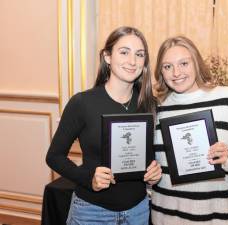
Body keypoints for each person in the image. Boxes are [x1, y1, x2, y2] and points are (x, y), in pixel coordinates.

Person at [46, 26, 162, 225]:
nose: (132, 61)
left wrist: (155, 171)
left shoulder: (150, 104)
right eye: (124, 52)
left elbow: (150, 156)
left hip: (138, 212)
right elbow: (54, 157)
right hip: (91, 213)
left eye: (139, 54)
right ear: (107, 56)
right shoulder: (82, 103)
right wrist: (88, 177)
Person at [151, 36, 228, 225]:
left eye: (184, 63)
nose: (176, 72)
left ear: (196, 63)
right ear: (161, 72)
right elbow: (151, 165)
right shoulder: (156, 109)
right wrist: (150, 177)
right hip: (165, 218)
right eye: (167, 67)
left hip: (218, 220)